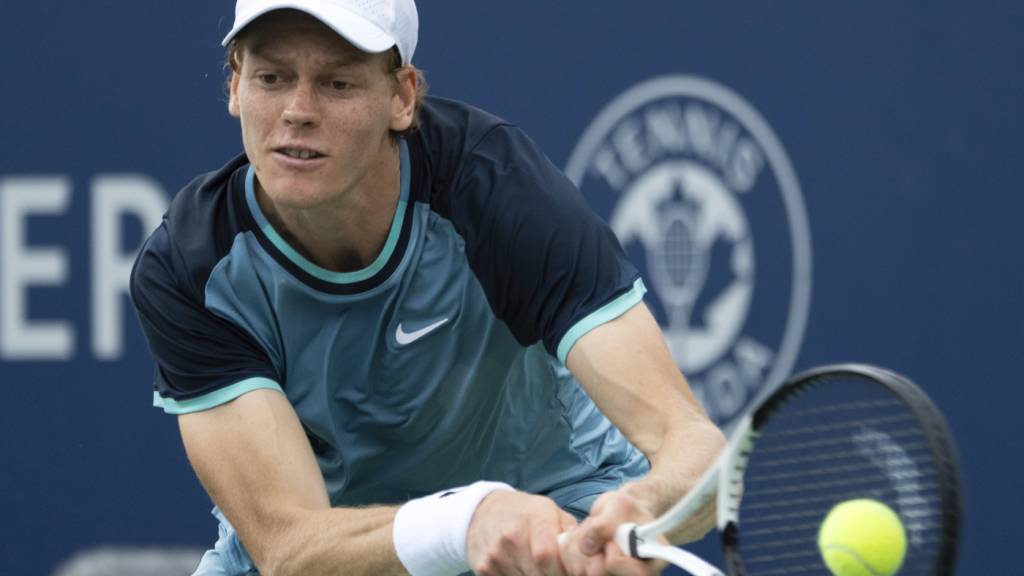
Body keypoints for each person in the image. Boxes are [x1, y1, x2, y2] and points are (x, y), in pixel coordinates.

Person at [129, 0, 726, 574]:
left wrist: (644, 506)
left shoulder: (497, 191)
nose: (298, 110)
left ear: (402, 96)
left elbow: (694, 448)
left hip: (549, 516)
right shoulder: (193, 267)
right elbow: (291, 549)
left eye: (338, 83)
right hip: (339, 554)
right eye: (271, 78)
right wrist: (465, 520)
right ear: (235, 86)